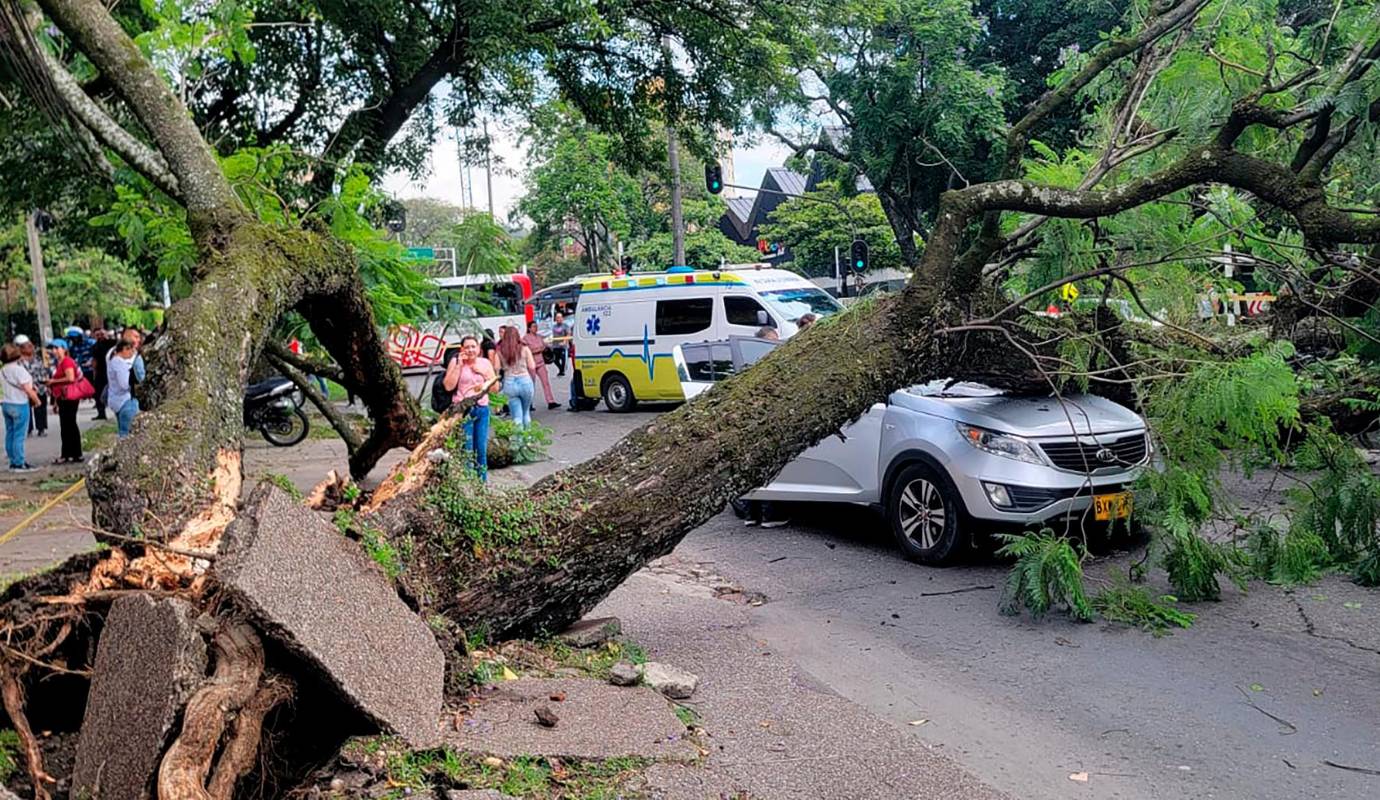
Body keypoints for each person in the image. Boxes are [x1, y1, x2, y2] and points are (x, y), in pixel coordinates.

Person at [442, 335, 496, 481]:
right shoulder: (456, 361)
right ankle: (469, 484)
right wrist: (459, 365)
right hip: (463, 411)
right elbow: (448, 386)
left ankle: (482, 485)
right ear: (462, 349)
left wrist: (482, 374)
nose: (471, 350)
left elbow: (495, 388)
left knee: (481, 450)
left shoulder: (484, 363)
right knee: (467, 449)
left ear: (478, 349)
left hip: (482, 409)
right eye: (467, 347)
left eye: (473, 346)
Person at [0, 345, 40, 472]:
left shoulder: (2, 371)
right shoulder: (19, 370)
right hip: (19, 403)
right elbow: (27, 388)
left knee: (10, 433)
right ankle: (19, 462)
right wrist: (37, 400)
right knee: (19, 435)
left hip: (6, 403)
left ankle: (13, 461)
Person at [46, 338, 84, 464]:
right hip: (62, 397)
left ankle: (71, 453)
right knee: (67, 425)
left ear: (64, 349)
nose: (54, 351)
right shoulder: (59, 363)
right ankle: (72, 453)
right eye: (53, 349)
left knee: (69, 425)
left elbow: (70, 378)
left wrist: (53, 382)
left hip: (69, 397)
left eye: (57, 348)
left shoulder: (67, 362)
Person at [494, 326, 537, 428]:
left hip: (509, 382)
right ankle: (529, 439)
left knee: (517, 416)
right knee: (526, 413)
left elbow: (496, 368)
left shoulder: (500, 351)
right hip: (525, 380)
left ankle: (518, 441)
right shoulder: (525, 349)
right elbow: (532, 366)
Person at [106, 337, 144, 438]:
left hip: (116, 400)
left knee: (122, 431)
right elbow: (124, 384)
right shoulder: (120, 363)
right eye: (131, 350)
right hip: (125, 401)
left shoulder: (113, 361)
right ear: (125, 349)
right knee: (127, 434)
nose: (132, 353)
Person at [16, 336, 48, 437]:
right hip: (25, 389)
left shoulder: (38, 359)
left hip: (40, 387)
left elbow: (44, 372)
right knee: (26, 410)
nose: (31, 348)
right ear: (21, 349)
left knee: (41, 408)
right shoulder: (18, 362)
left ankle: (41, 428)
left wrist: (44, 384)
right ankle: (28, 429)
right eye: (28, 346)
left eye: (31, 346)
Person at [522, 321, 559, 410]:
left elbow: (544, 346)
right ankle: (529, 403)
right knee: (531, 384)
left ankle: (551, 401)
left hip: (541, 362)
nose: (536, 328)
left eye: (536, 326)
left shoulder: (539, 337)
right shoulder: (525, 338)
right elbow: (527, 351)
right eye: (534, 327)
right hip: (531, 363)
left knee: (546, 382)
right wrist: (538, 349)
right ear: (529, 328)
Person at [91, 329, 115, 420]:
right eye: (97, 335)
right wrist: (94, 374)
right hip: (101, 372)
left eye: (102, 334)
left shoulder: (112, 343)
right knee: (98, 393)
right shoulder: (95, 347)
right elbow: (94, 361)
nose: (100, 336)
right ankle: (101, 413)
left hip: (112, 371)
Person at [549, 312, 572, 376]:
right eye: (557, 317)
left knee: (563, 360)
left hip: (563, 346)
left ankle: (562, 371)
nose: (558, 319)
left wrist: (564, 341)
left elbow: (568, 334)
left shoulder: (565, 326)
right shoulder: (554, 326)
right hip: (555, 346)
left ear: (562, 318)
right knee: (555, 360)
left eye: (559, 317)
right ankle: (561, 369)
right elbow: (552, 335)